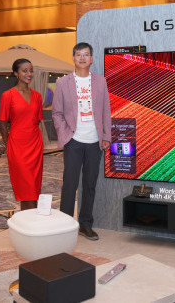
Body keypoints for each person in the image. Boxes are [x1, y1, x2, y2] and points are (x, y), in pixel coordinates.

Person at [52, 42, 111, 240]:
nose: (83, 58)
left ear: (91, 58)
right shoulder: (63, 83)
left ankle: (85, 225)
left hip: (95, 141)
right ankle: (65, 226)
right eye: (79, 54)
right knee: (70, 185)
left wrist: (106, 136)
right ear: (73, 58)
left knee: (90, 184)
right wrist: (64, 134)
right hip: (73, 141)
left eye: (86, 54)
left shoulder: (100, 81)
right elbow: (57, 113)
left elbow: (106, 111)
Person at [0, 58, 44, 211]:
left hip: (35, 145)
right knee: (25, 186)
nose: (29, 74)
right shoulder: (8, 95)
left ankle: (31, 218)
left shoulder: (37, 96)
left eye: (31, 70)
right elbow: (3, 123)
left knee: (34, 185)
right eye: (25, 71)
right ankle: (29, 219)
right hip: (17, 146)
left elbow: (37, 121)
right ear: (16, 73)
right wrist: (8, 144)